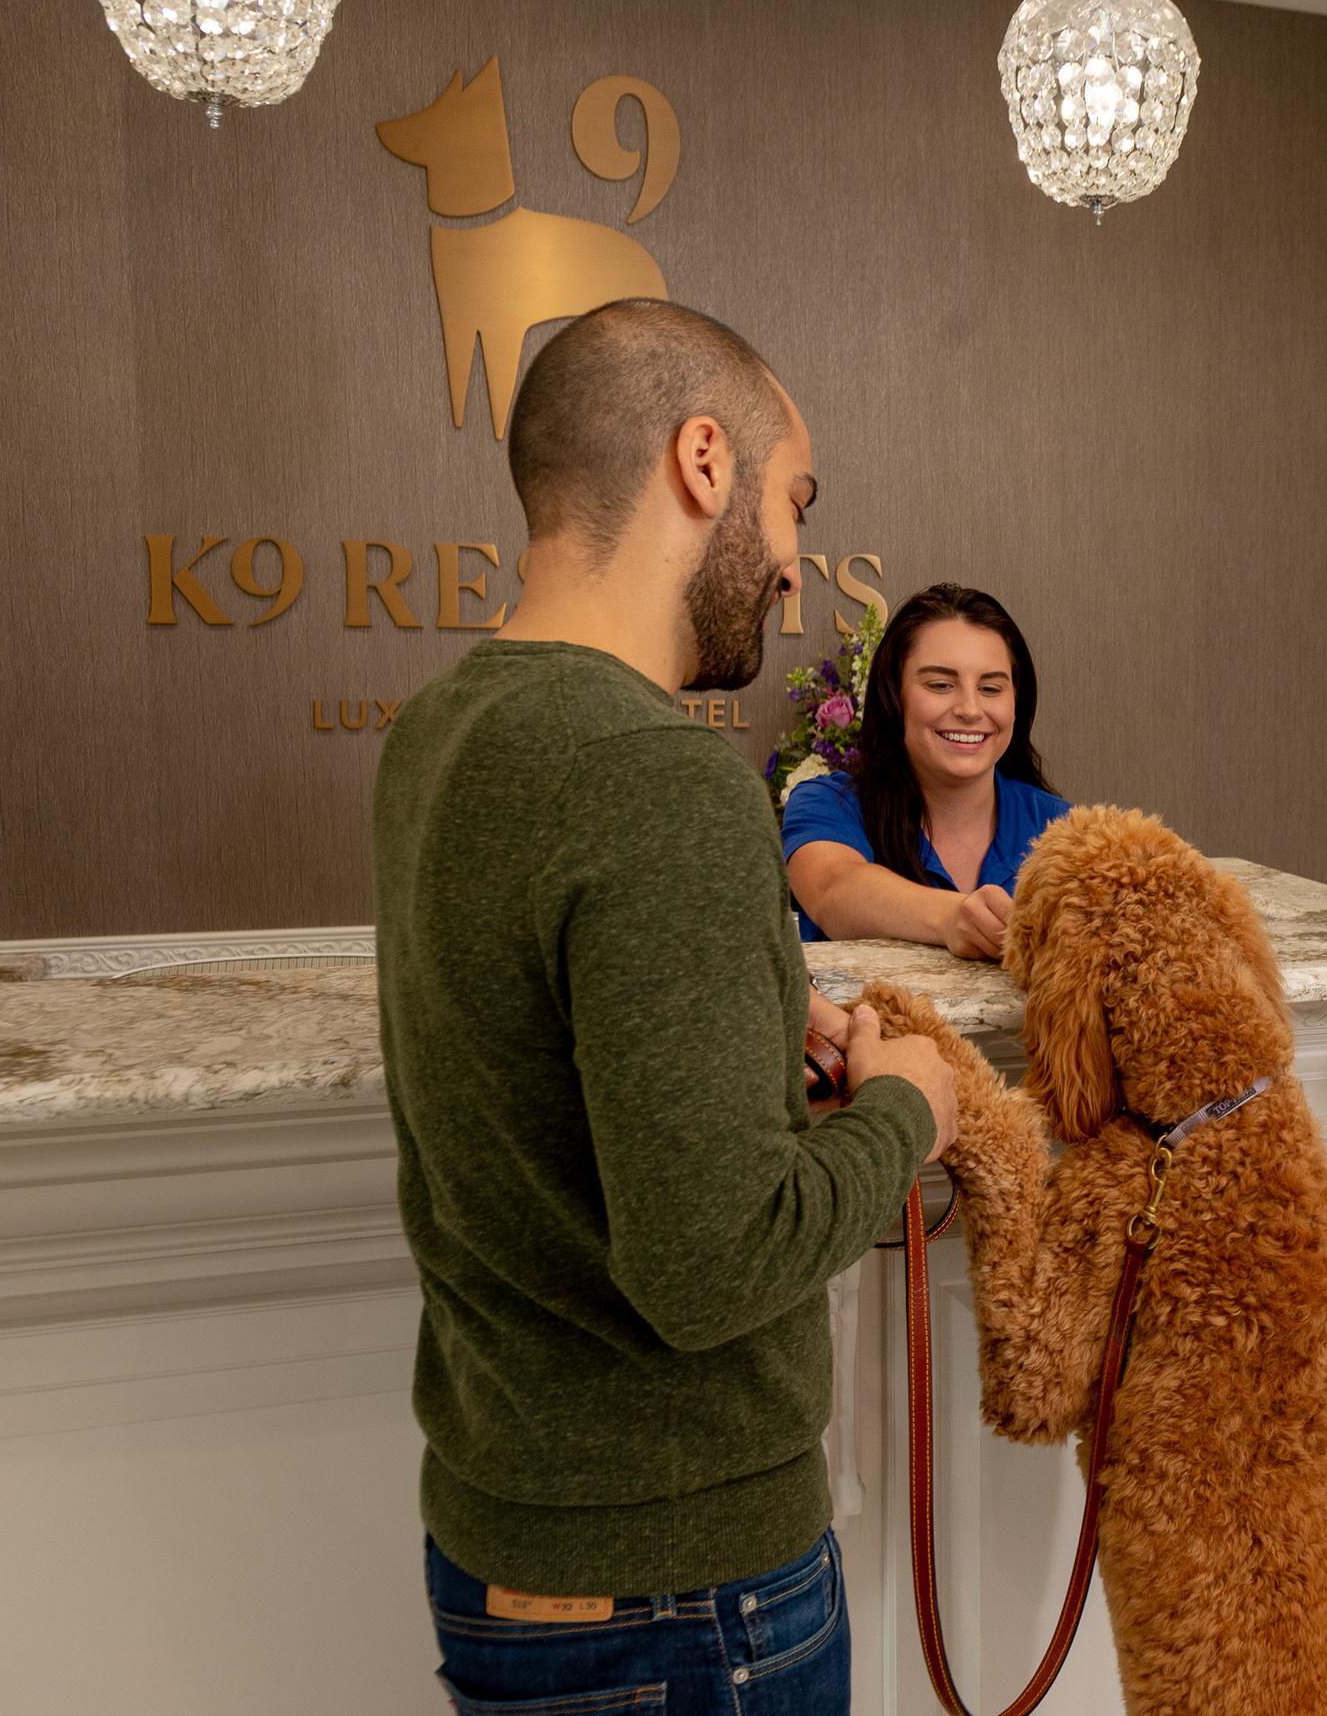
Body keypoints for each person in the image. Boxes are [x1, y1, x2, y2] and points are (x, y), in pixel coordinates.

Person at [371, 297, 961, 1715]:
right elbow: (713, 1262)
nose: (797, 564)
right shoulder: (656, 773)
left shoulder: (439, 731)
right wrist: (908, 1110)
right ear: (704, 460)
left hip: (505, 1544)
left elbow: (553, 1073)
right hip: (686, 1596)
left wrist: (749, 1022)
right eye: (794, 498)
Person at [782, 582, 1070, 958]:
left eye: (990, 688)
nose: (970, 709)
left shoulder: (1063, 830)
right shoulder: (827, 803)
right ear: (894, 696)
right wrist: (951, 917)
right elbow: (832, 890)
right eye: (940, 685)